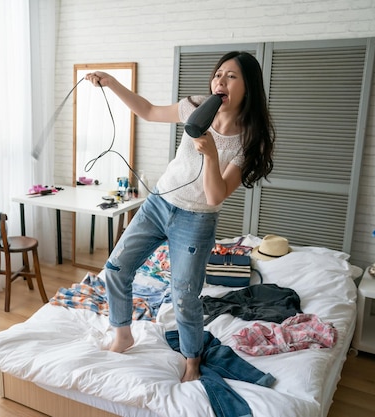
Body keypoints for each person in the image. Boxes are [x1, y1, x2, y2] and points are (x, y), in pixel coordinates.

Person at [84, 51, 275, 382]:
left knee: (185, 295)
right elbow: (148, 111)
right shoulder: (197, 106)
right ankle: (122, 333)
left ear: (248, 86)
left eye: (231, 76)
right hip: (157, 204)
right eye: (218, 75)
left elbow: (216, 194)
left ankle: (191, 360)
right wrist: (113, 82)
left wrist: (212, 155)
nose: (220, 81)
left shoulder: (249, 139)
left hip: (197, 220)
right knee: (115, 269)